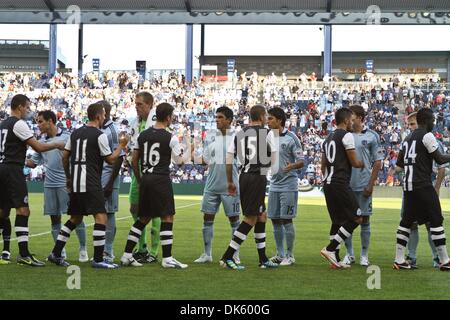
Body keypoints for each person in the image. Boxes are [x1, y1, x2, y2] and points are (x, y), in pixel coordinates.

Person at [47, 102, 128, 268]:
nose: (105, 117)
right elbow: (110, 160)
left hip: (76, 183)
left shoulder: (74, 133)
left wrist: (69, 178)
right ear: (98, 116)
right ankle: (98, 259)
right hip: (90, 183)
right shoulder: (100, 135)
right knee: (101, 217)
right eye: (104, 115)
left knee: (75, 218)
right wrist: (121, 146)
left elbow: (65, 157)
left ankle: (56, 253)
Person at [0, 94, 65, 266]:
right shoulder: (18, 123)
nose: (29, 111)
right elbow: (38, 146)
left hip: (2, 168)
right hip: (12, 170)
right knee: (23, 211)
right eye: (27, 107)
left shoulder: (3, 124)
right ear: (20, 107)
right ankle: (23, 254)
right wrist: (57, 144)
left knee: (3, 212)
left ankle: (10, 251)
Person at [121, 103, 188, 269]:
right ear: (167, 117)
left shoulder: (142, 135)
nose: (172, 118)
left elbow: (134, 160)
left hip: (146, 179)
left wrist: (140, 178)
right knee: (167, 217)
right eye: (172, 116)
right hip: (160, 179)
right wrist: (187, 148)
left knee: (143, 218)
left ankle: (126, 255)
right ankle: (167, 258)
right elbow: (180, 160)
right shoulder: (170, 137)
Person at [220, 105, 279, 270]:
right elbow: (274, 159)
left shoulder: (239, 134)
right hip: (257, 177)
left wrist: (230, 182)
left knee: (261, 216)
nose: (267, 119)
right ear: (261, 117)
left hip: (244, 176)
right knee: (250, 218)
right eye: (266, 116)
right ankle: (227, 256)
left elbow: (229, 159)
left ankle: (262, 259)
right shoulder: (267, 133)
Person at [26, 110, 88, 263]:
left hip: (67, 183)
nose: (38, 125)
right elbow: (33, 163)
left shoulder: (68, 137)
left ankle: (83, 249)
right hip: (49, 184)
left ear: (50, 121)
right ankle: (60, 252)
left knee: (77, 216)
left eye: (40, 121)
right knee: (55, 218)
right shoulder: (41, 142)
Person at [393, 108, 450, 271]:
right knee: (436, 220)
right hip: (422, 185)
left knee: (406, 222)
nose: (434, 123)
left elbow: (399, 164)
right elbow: (439, 159)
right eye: (432, 120)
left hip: (409, 186)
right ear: (426, 120)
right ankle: (444, 260)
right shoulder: (427, 135)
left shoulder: (407, 138)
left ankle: (399, 259)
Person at [194, 106, 241, 264]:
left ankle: (234, 254)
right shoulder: (210, 136)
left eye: (220, 117)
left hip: (230, 186)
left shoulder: (238, 137)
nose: (217, 120)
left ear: (229, 120)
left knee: (234, 220)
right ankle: (207, 254)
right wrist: (191, 154)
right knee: (207, 218)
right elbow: (205, 160)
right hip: (212, 185)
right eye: (216, 117)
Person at [320, 108, 365, 269]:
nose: (353, 123)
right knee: (357, 218)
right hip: (340, 182)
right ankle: (330, 248)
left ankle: (335, 260)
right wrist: (363, 163)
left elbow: (322, 165)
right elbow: (354, 162)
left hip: (328, 183)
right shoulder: (347, 136)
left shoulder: (328, 138)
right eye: (351, 120)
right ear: (346, 121)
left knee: (337, 221)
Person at [341, 105, 383, 267]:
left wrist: (371, 184)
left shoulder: (372, 136)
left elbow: (378, 162)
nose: (349, 120)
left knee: (365, 220)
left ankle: (364, 255)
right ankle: (349, 254)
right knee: (347, 220)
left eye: (351, 117)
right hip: (347, 185)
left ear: (359, 118)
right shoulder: (345, 136)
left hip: (364, 184)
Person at [267, 107, 304, 266]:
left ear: (279, 120)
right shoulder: (269, 136)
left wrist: (292, 166)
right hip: (274, 184)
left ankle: (290, 255)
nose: (268, 122)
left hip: (288, 184)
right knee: (275, 220)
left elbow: (302, 161)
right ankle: (280, 254)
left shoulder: (292, 138)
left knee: (286, 220)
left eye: (270, 119)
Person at [128, 92, 160, 264]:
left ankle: (153, 252)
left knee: (154, 211)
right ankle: (142, 248)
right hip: (136, 170)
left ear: (149, 105)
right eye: (136, 104)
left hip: (152, 171)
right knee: (134, 209)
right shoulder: (135, 123)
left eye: (140, 104)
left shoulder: (156, 122)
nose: (137, 107)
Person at [98, 101, 125, 263]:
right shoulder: (99, 129)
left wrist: (109, 184)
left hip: (108, 177)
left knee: (108, 212)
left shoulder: (113, 131)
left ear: (104, 112)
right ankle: (102, 250)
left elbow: (119, 159)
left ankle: (108, 251)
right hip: (98, 176)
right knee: (101, 212)